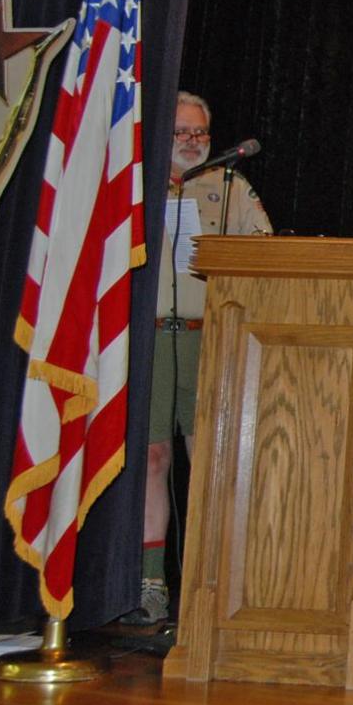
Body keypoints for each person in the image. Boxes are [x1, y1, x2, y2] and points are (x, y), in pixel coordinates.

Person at [123, 91, 271, 625]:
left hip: (210, 336)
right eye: (181, 132)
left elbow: (266, 251)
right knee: (153, 458)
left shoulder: (227, 186)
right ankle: (151, 583)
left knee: (212, 460)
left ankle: (212, 582)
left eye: (200, 133)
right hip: (152, 338)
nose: (192, 142)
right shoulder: (135, 185)